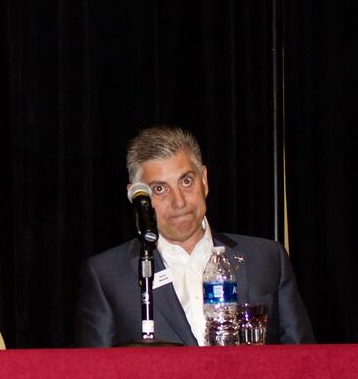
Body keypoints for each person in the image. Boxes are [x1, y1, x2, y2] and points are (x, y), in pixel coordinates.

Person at [77, 125, 313, 346]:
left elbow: (304, 360)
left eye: (186, 181)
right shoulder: (107, 276)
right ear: (137, 195)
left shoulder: (267, 258)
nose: (179, 201)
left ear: (204, 181)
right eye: (160, 189)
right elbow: (93, 372)